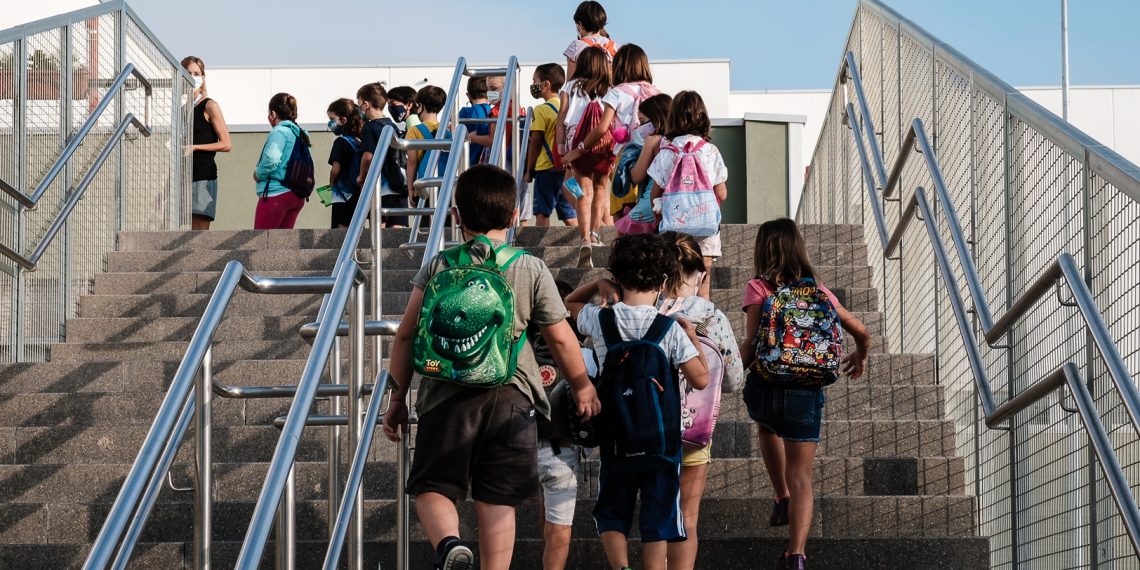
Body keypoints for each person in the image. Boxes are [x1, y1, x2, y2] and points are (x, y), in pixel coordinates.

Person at [382, 164, 600, 570]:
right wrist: (583, 385)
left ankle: (449, 546)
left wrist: (397, 397)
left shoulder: (438, 266)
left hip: (444, 395)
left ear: (456, 215)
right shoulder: (530, 267)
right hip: (511, 399)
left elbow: (406, 336)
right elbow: (560, 337)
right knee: (498, 496)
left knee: (433, 486)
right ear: (515, 215)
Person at [565, 233, 709, 570]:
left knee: (612, 512)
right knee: (658, 519)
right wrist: (691, 338)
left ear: (617, 278)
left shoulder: (601, 320)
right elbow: (700, 379)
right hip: (661, 443)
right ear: (662, 281)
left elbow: (569, 305)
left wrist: (597, 284)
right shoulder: (668, 329)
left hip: (617, 437)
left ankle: (621, 567)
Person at [739, 218, 872, 570]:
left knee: (766, 427)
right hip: (806, 391)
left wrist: (721, 371)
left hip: (767, 386)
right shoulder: (818, 291)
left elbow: (751, 347)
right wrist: (860, 353)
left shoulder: (758, 288)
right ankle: (796, 555)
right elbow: (861, 329)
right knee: (803, 477)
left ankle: (780, 496)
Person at [657, 231, 744, 570]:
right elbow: (736, 380)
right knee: (687, 518)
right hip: (694, 429)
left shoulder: (643, 313)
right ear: (700, 274)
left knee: (656, 512)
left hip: (649, 428)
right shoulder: (711, 317)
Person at [647, 91, 727, 300]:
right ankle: (702, 324)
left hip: (675, 229)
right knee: (704, 280)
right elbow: (722, 193)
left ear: (672, 118)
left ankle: (675, 319)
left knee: (674, 277)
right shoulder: (710, 151)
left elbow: (655, 193)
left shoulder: (667, 151)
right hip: (706, 226)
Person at [555, 47, 613, 267]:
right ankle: (596, 235)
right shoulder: (610, 89)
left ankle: (584, 239)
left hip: (576, 139)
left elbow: (562, 118)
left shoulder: (570, 86)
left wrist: (561, 147)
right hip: (603, 142)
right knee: (600, 188)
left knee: (582, 191)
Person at [181, 56, 231, 231]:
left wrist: (195, 147)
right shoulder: (183, 109)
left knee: (199, 234)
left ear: (203, 78)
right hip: (183, 177)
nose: (192, 77)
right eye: (188, 73)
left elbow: (226, 143)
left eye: (197, 73)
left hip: (202, 176)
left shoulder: (209, 105)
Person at [525, 63, 577, 228]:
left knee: (542, 212)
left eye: (535, 81)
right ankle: (583, 240)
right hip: (567, 168)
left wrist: (528, 170)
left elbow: (535, 143)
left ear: (546, 85)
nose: (533, 85)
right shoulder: (567, 107)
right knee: (571, 212)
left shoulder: (540, 110)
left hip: (545, 169)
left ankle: (539, 249)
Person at [253, 92, 309, 230]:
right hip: (297, 195)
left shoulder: (279, 132)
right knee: (281, 246)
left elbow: (271, 159)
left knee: (260, 242)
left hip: (276, 193)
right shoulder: (301, 134)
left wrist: (258, 174)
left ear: (273, 113)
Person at [355, 82, 407, 228]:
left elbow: (368, 157)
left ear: (366, 104)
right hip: (399, 182)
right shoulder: (392, 126)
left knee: (379, 224)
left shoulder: (370, 127)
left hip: (381, 187)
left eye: (359, 103)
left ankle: (377, 250)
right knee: (398, 226)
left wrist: (361, 176)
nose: (359, 108)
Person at [617, 93, 671, 233]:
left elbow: (637, 176)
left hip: (651, 205)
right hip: (675, 204)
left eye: (642, 122)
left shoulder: (652, 141)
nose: (638, 127)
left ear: (656, 119)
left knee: (623, 234)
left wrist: (628, 160)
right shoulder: (677, 140)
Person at [405, 85, 449, 200]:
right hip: (445, 187)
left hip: (424, 187)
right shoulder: (447, 131)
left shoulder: (414, 131)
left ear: (420, 105)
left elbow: (412, 162)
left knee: (424, 217)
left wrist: (410, 189)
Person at [326, 98, 364, 229]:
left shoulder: (340, 142)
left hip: (342, 193)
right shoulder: (358, 141)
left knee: (340, 228)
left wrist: (331, 183)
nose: (330, 123)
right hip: (356, 193)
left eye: (332, 119)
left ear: (343, 120)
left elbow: (336, 169)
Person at [564, 1, 617, 78]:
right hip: (610, 89)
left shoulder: (575, 46)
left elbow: (570, 82)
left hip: (585, 89)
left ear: (580, 25)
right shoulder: (615, 46)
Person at [458, 77, 493, 165]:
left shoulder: (465, 113)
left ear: (468, 95)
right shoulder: (494, 113)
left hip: (470, 163)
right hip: (490, 163)